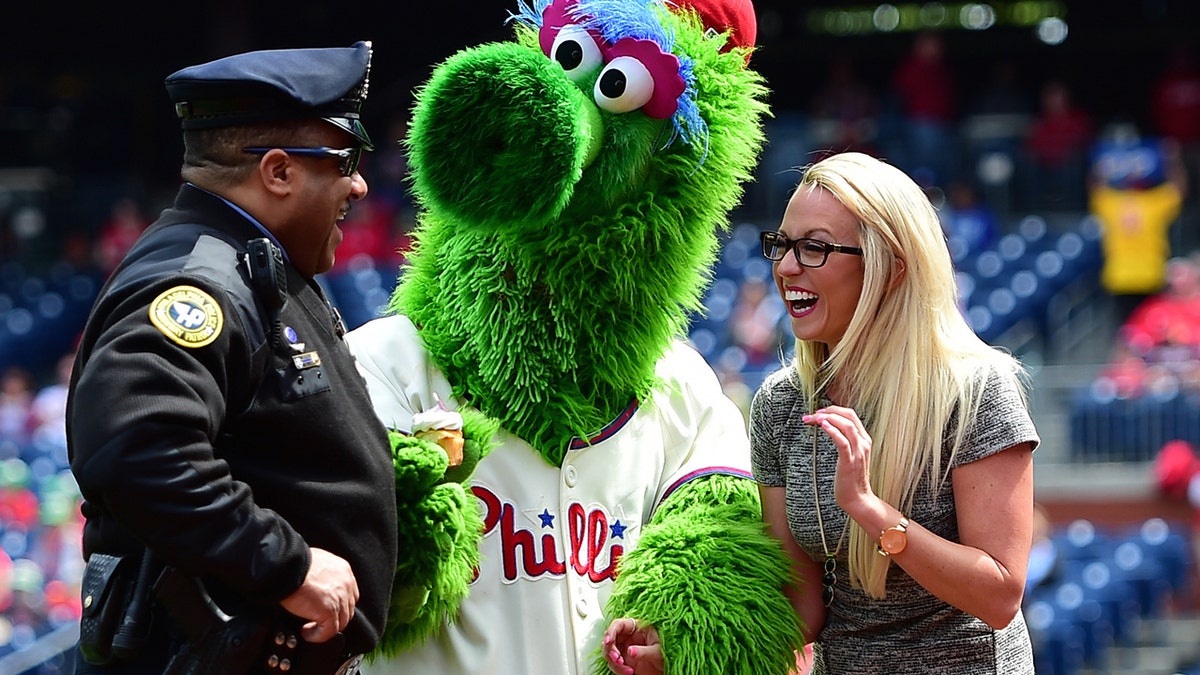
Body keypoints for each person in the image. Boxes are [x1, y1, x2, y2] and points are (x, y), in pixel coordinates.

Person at [66, 41, 397, 674]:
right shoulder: (196, 283)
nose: (358, 183)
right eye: (344, 158)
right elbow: (138, 448)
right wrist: (288, 565)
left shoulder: (251, 262)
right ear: (277, 172)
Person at [750, 152, 1040, 674]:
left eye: (814, 247)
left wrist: (868, 508)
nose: (787, 266)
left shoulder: (975, 390)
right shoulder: (778, 404)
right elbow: (800, 610)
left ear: (889, 269)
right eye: (783, 245)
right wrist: (682, 644)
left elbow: (1000, 596)